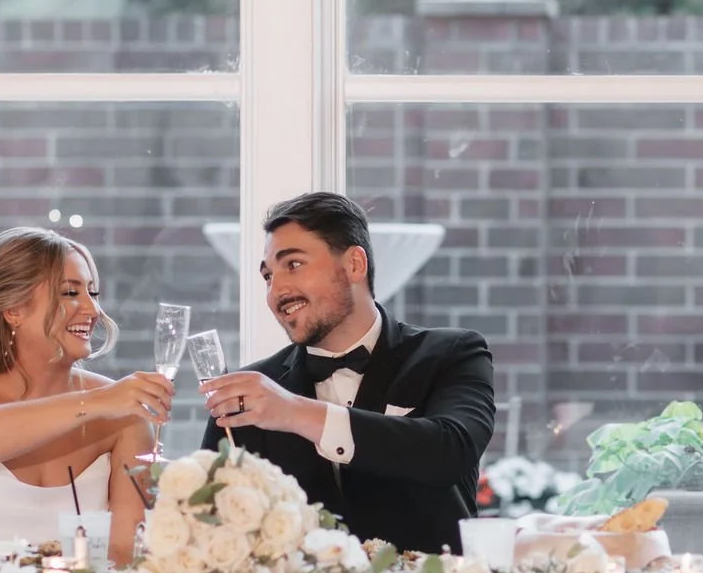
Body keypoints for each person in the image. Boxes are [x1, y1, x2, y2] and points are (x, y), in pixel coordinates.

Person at [197, 192, 494, 554]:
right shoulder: (248, 396)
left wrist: (294, 412)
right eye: (268, 276)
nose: (277, 290)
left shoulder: (451, 353)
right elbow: (211, 526)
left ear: (354, 264)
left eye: (293, 265)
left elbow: (451, 450)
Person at [0, 227, 174, 566]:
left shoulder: (123, 415)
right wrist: (95, 404)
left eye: (93, 293)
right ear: (13, 309)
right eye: (70, 293)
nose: (92, 310)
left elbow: (127, 555)